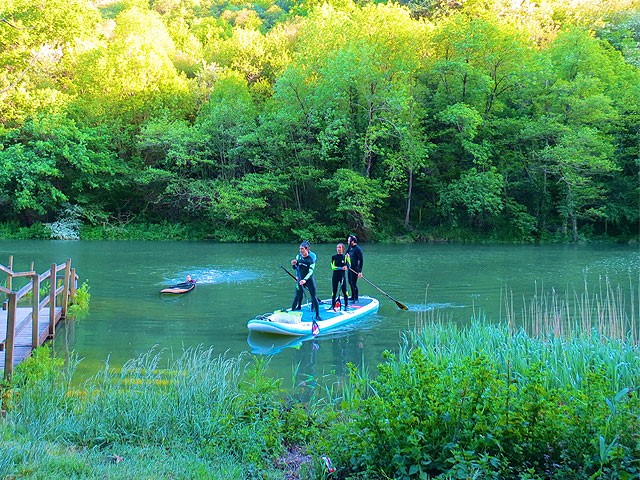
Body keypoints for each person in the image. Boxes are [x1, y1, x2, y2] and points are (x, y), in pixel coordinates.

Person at [291, 241, 321, 321]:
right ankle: (292, 311)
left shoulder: (311, 259)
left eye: (302, 249)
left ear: (307, 249)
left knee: (314, 297)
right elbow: (296, 268)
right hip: (300, 280)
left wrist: (305, 279)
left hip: (309, 280)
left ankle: (317, 315)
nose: (300, 250)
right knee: (297, 296)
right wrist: (293, 264)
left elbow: (311, 272)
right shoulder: (298, 257)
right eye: (300, 249)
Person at [329, 243, 350, 311]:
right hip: (335, 276)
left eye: (340, 247)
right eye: (337, 247)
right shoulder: (334, 257)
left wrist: (347, 265)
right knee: (334, 291)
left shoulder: (345, 257)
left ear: (343, 249)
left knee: (345, 291)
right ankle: (332, 305)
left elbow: (349, 265)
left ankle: (346, 305)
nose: (338, 249)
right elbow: (333, 267)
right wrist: (341, 268)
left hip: (342, 276)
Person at [346, 234, 363, 302]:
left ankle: (356, 298)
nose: (347, 242)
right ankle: (353, 296)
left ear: (352, 241)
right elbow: (346, 255)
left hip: (355, 268)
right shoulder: (350, 247)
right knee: (350, 282)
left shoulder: (358, 249)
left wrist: (360, 271)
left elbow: (361, 260)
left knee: (353, 283)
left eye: (349, 240)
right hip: (350, 268)